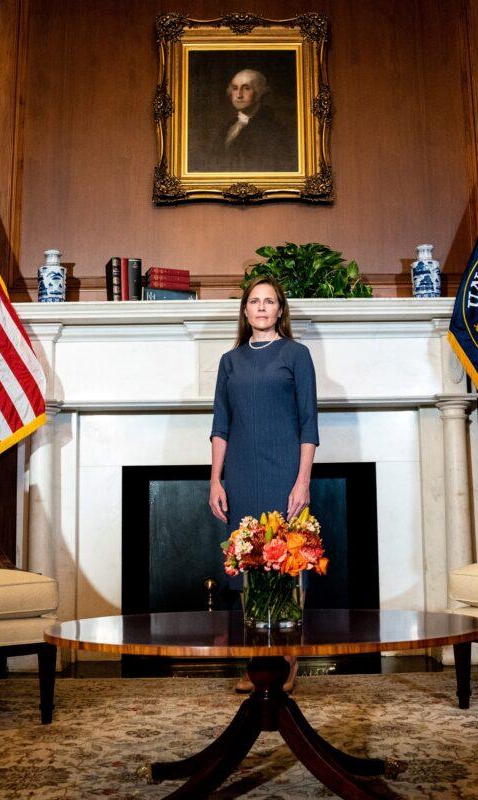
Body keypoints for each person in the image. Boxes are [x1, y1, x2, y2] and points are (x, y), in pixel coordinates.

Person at [209, 276, 318, 693]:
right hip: (241, 473)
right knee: (247, 567)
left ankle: (287, 660)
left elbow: (309, 423)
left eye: (269, 301)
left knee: (288, 564)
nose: (261, 307)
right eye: (254, 301)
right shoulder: (229, 361)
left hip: (284, 472)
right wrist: (215, 479)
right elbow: (221, 425)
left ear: (279, 310)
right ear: (245, 310)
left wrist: (303, 480)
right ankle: (257, 659)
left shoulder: (297, 355)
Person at [196, 69, 297, 173]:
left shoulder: (274, 131)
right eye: (235, 88)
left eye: (246, 88)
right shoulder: (227, 128)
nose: (239, 95)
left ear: (260, 92)